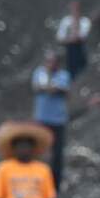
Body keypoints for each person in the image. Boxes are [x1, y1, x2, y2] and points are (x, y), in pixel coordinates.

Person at [31, 51, 70, 186]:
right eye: (47, 61)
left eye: (52, 61)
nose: (49, 64)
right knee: (39, 151)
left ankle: (56, 184)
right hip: (41, 119)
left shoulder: (63, 75)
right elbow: (37, 87)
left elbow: (58, 89)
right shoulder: (39, 72)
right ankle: (38, 180)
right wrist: (49, 86)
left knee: (57, 154)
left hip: (58, 121)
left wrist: (48, 87)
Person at [57, 1, 90, 79]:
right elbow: (60, 38)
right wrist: (71, 39)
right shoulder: (66, 21)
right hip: (69, 50)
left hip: (81, 49)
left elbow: (83, 37)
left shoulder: (85, 21)